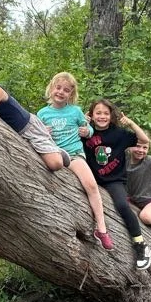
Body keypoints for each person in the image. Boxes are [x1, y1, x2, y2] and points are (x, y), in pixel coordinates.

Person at [37, 72, 113, 251]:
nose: (61, 92)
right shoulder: (42, 113)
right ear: (51, 88)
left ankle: (101, 229)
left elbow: (88, 129)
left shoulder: (75, 111)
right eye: (58, 88)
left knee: (91, 186)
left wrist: (87, 132)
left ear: (71, 94)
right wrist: (44, 134)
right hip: (54, 154)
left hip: (73, 154)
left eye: (66, 90)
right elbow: (36, 136)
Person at [83, 98, 151, 270]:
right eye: (98, 113)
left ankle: (140, 244)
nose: (102, 116)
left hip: (114, 180)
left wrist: (130, 123)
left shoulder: (119, 134)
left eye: (106, 113)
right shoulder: (86, 133)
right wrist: (82, 122)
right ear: (91, 115)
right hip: (93, 180)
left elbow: (144, 140)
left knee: (122, 206)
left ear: (111, 116)